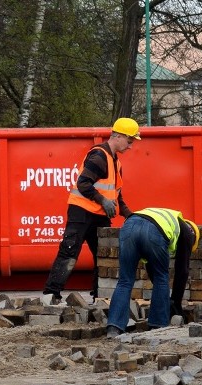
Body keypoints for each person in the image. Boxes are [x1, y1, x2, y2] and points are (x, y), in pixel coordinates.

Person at [42, 118, 139, 302]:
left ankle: (99, 296)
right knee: (69, 251)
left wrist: (128, 214)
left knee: (103, 255)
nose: (130, 146)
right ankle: (51, 295)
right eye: (129, 141)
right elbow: (83, 183)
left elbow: (116, 195)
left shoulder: (115, 162)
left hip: (99, 214)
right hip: (81, 212)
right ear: (118, 136)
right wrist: (103, 200)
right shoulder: (99, 156)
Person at [106, 207, 199, 338]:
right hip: (153, 231)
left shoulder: (167, 217)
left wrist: (164, 297)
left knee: (125, 281)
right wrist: (175, 303)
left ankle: (114, 327)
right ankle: (157, 325)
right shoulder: (188, 233)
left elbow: (152, 268)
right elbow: (182, 271)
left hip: (129, 226)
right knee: (162, 278)